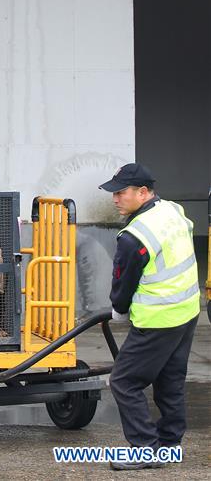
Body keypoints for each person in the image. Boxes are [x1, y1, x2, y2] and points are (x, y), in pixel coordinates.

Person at [100, 162, 200, 470]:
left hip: (158, 320)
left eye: (121, 193)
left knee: (124, 382)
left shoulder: (134, 236)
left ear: (143, 192)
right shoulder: (173, 210)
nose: (115, 199)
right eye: (113, 193)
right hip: (187, 312)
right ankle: (169, 444)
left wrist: (118, 309)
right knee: (170, 380)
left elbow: (124, 280)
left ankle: (145, 448)